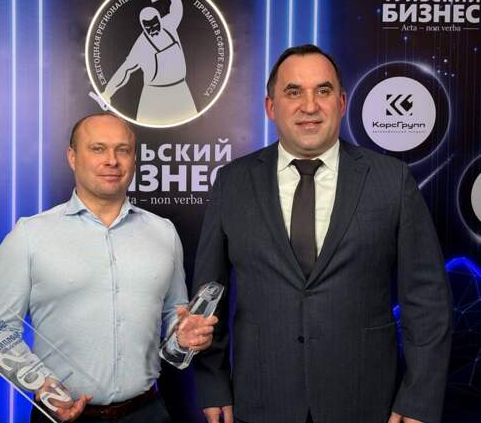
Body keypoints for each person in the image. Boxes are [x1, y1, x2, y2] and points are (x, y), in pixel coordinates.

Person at [191, 45, 452, 423]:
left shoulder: (391, 181)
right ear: (270, 107)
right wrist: (212, 382)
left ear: (341, 103)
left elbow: (426, 299)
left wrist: (419, 400)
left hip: (365, 403)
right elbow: (208, 295)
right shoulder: (232, 182)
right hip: (261, 401)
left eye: (323, 91)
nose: (310, 106)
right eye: (293, 92)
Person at [0, 113, 216, 422]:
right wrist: (43, 387)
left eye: (123, 150)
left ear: (134, 159)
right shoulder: (29, 236)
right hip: (64, 415)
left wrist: (185, 338)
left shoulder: (163, 232)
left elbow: (175, 313)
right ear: (72, 157)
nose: (112, 160)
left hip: (148, 412)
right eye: (98, 149)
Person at [102, 0, 197, 125]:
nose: (153, 30)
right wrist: (107, 93)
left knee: (191, 129)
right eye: (148, 28)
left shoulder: (169, 24)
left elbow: (176, 8)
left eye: (155, 25)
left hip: (181, 91)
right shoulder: (141, 46)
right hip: (154, 97)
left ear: (160, 20)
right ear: (143, 27)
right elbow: (125, 70)